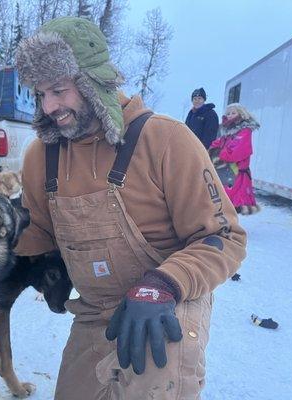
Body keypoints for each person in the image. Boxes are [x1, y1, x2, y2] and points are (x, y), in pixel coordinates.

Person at [14, 16, 246, 400]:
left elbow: (224, 236)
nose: (49, 106)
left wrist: (161, 285)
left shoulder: (167, 140)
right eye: (41, 94)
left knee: (151, 382)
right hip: (95, 309)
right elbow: (36, 233)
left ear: (93, 80)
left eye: (59, 90)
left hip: (170, 300)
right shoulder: (42, 155)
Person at [209, 103, 261, 215]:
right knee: (225, 200)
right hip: (226, 170)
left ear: (241, 114)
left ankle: (230, 225)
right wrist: (212, 150)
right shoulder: (227, 130)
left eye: (233, 113)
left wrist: (219, 153)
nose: (230, 115)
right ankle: (226, 223)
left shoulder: (245, 131)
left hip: (236, 171)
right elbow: (217, 143)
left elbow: (236, 152)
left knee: (231, 202)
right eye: (228, 113)